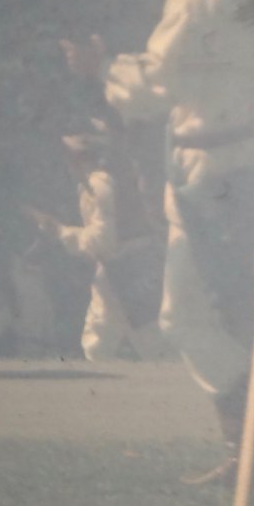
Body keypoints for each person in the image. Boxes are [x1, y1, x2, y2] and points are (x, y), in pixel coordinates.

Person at [65, 0, 254, 489]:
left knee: (186, 318)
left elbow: (153, 86)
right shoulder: (249, 4)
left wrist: (99, 71)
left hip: (214, 177)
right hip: (245, 172)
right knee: (216, 318)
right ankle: (250, 458)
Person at [24, 122, 162, 361]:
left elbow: (103, 240)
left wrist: (59, 232)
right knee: (103, 339)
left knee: (143, 340)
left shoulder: (99, 183)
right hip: (118, 269)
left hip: (128, 267)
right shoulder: (98, 182)